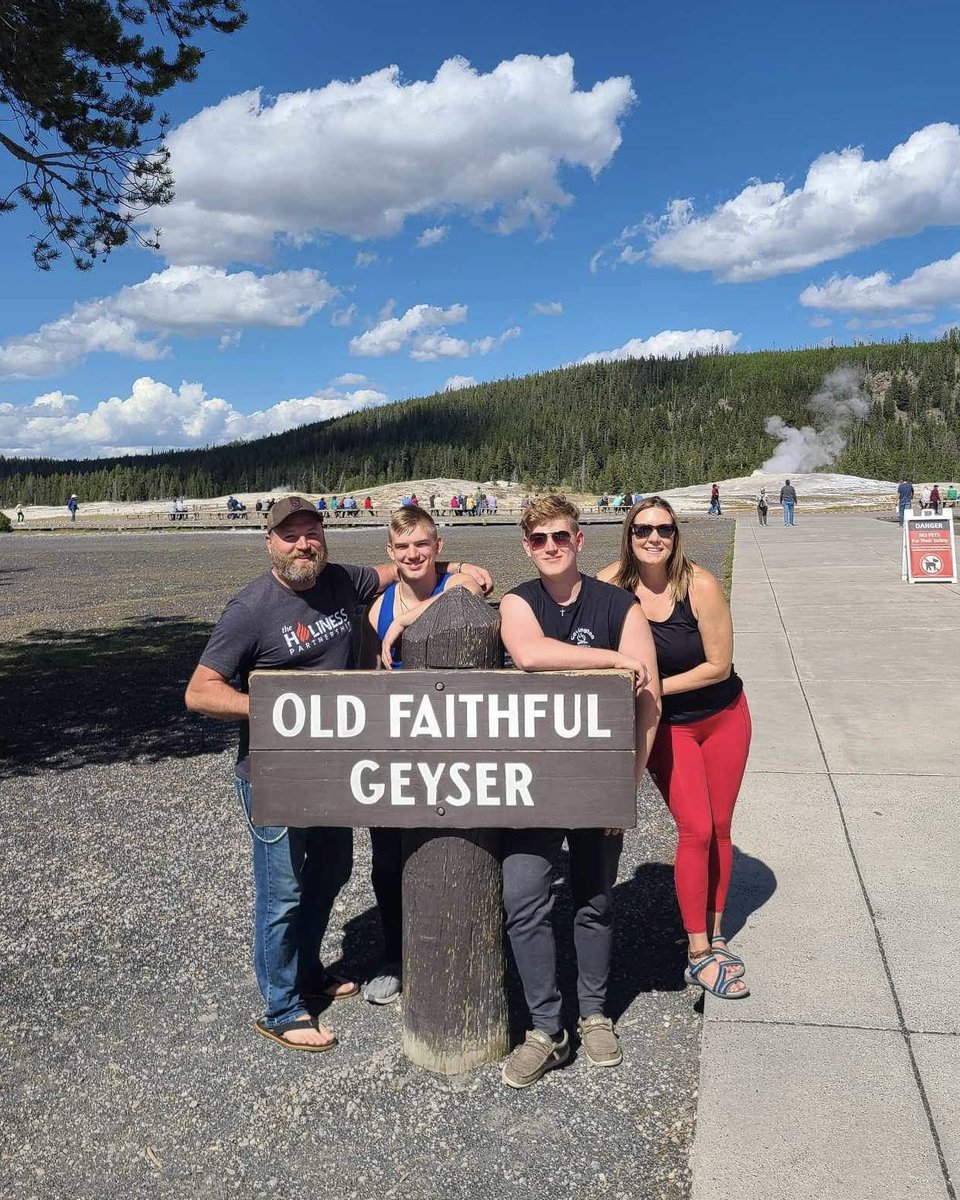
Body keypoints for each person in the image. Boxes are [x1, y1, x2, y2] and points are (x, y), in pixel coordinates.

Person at [185, 495, 492, 1052]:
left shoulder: (341, 581)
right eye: (290, 535)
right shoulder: (251, 608)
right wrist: (277, 707)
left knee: (331, 872)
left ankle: (306, 970)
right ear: (269, 542)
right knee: (281, 892)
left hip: (334, 771)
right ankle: (281, 1006)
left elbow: (401, 564)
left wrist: (457, 570)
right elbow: (200, 691)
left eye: (311, 532)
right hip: (274, 772)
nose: (303, 543)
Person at [497, 496, 660, 1088]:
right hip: (532, 781)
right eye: (538, 539)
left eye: (560, 537)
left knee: (593, 898)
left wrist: (627, 783)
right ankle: (547, 1026)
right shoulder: (520, 602)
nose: (550, 548)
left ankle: (593, 1014)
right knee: (523, 898)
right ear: (526, 545)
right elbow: (530, 654)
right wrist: (612, 658)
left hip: (597, 781)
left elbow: (649, 700)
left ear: (580, 539)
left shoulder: (619, 603)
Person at [598, 496, 752, 1002]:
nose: (653, 538)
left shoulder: (700, 585)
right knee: (697, 828)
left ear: (675, 533)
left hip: (725, 718)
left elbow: (719, 666)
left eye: (663, 529)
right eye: (643, 529)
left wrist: (652, 683)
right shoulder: (612, 585)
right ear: (629, 533)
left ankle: (717, 929)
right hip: (670, 729)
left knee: (722, 827)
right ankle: (697, 951)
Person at [363, 506, 488, 1004]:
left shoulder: (460, 586)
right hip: (398, 753)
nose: (414, 554)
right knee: (389, 861)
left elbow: (472, 587)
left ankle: (468, 945)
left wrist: (409, 620)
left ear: (438, 547)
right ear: (391, 554)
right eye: (404, 547)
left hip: (461, 751)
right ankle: (396, 954)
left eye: (423, 544)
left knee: (463, 852)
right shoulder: (379, 605)